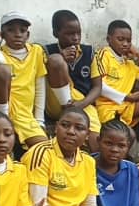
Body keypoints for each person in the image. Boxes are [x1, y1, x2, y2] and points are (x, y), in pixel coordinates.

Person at [21, 107, 104, 206]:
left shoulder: (88, 161)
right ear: (56, 127)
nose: (71, 131)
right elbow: (39, 205)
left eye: (79, 128)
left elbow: (89, 205)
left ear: (87, 135)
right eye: (65, 125)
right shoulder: (41, 153)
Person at [0, 12, 48, 149]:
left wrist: (40, 120)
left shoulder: (36, 51)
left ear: (27, 35)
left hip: (23, 114)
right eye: (11, 30)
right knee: (2, 70)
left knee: (43, 148)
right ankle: (3, 122)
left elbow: (40, 85)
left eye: (22, 31)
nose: (17, 35)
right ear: (3, 35)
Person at [44, 10, 102, 152]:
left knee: (95, 140)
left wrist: (82, 104)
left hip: (82, 103)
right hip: (56, 103)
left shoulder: (89, 53)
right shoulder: (45, 51)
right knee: (56, 60)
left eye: (78, 33)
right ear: (56, 33)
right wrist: (61, 57)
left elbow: (97, 87)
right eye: (70, 34)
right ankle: (68, 110)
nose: (75, 38)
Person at [93, 20, 139, 136]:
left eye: (128, 41)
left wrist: (138, 55)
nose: (125, 44)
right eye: (120, 39)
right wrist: (126, 97)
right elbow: (100, 87)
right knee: (128, 135)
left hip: (125, 106)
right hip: (108, 108)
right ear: (109, 39)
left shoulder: (129, 63)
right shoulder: (103, 55)